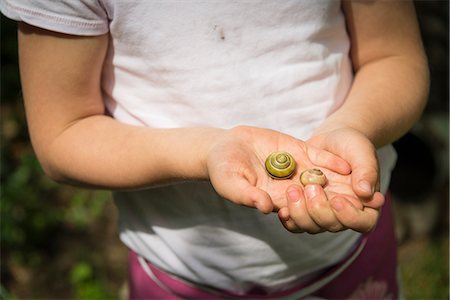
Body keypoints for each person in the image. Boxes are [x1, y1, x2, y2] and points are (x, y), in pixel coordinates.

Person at [1, 0, 429, 298]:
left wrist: (352, 126)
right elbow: (63, 134)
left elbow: (394, 56)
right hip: (181, 279)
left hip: (349, 257)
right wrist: (205, 152)